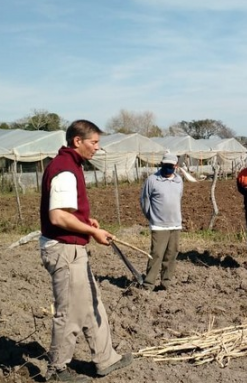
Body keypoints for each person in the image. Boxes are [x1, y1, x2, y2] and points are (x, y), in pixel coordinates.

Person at [39, 120, 132, 382]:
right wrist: (92, 232)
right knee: (69, 312)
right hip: (64, 250)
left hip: (72, 247)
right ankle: (57, 370)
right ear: (77, 141)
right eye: (94, 142)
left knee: (92, 305)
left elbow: (68, 212)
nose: (97, 148)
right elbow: (57, 217)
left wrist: (84, 221)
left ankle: (106, 359)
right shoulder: (65, 169)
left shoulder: (71, 165)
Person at [140, 153, 184, 291]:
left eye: (170, 166)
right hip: (159, 225)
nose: (167, 168)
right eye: (165, 165)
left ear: (176, 166)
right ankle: (149, 284)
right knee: (157, 254)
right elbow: (144, 201)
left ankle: (166, 283)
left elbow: (179, 198)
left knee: (171, 254)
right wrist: (152, 217)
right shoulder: (152, 180)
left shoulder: (179, 181)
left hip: (175, 224)